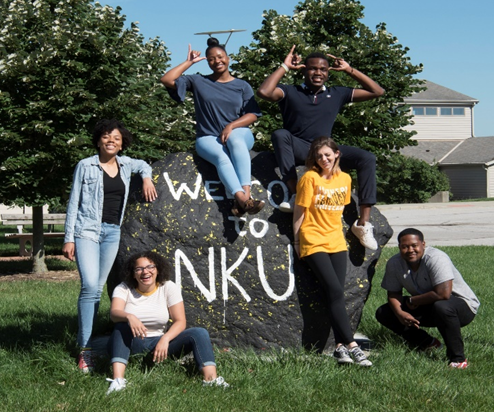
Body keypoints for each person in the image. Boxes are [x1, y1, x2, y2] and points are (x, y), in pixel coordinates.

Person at [257, 45, 385, 250]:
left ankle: (362, 224)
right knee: (280, 134)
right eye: (313, 68)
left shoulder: (337, 93)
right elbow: (264, 91)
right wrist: (285, 66)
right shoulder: (290, 91)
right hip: (299, 147)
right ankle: (294, 194)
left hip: (325, 151)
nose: (318, 72)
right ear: (304, 70)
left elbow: (377, 91)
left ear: (328, 73)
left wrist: (349, 70)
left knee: (367, 158)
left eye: (323, 69)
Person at [63, 119, 157, 373]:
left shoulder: (126, 165)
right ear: (98, 141)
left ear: (121, 142)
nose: (111, 141)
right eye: (106, 137)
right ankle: (85, 349)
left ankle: (90, 340)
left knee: (97, 290)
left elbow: (143, 165)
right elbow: (74, 202)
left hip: (112, 233)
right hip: (87, 231)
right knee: (90, 287)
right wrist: (68, 238)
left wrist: (147, 178)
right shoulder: (85, 165)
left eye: (116, 138)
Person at [161, 38, 264, 217]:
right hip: (208, 138)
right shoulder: (198, 81)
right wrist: (189, 62)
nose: (217, 61)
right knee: (221, 157)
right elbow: (167, 79)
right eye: (211, 59)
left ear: (228, 58)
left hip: (239, 133)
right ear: (207, 62)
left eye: (220, 57)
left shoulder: (242, 86)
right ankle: (243, 200)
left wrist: (231, 126)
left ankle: (245, 195)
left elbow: (253, 114)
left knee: (235, 141)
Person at [293, 136, 372, 366]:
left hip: (336, 241)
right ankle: (352, 345)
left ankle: (339, 347)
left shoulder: (346, 179)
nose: (323, 159)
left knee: (334, 294)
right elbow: (299, 212)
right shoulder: (309, 178)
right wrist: (298, 243)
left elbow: (339, 212)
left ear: (337, 154)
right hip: (313, 240)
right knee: (335, 291)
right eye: (319, 156)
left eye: (327, 154)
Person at [106, 251, 229, 394]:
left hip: (159, 345)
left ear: (157, 269)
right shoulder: (124, 288)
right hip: (130, 343)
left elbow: (180, 321)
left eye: (150, 267)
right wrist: (129, 317)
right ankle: (118, 381)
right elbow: (114, 314)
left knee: (199, 333)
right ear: (133, 274)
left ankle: (211, 380)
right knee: (121, 326)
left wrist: (165, 339)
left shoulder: (168, 287)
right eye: (139, 269)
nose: (145, 272)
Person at [375, 228, 480, 369]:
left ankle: (458, 359)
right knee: (385, 312)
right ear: (399, 247)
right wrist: (400, 314)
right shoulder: (395, 263)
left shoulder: (436, 258)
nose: (410, 250)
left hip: (462, 307)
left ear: (423, 244)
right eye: (404, 247)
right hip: (429, 304)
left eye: (414, 245)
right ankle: (427, 343)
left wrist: (412, 301)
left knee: (442, 306)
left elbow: (444, 294)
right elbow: (393, 293)